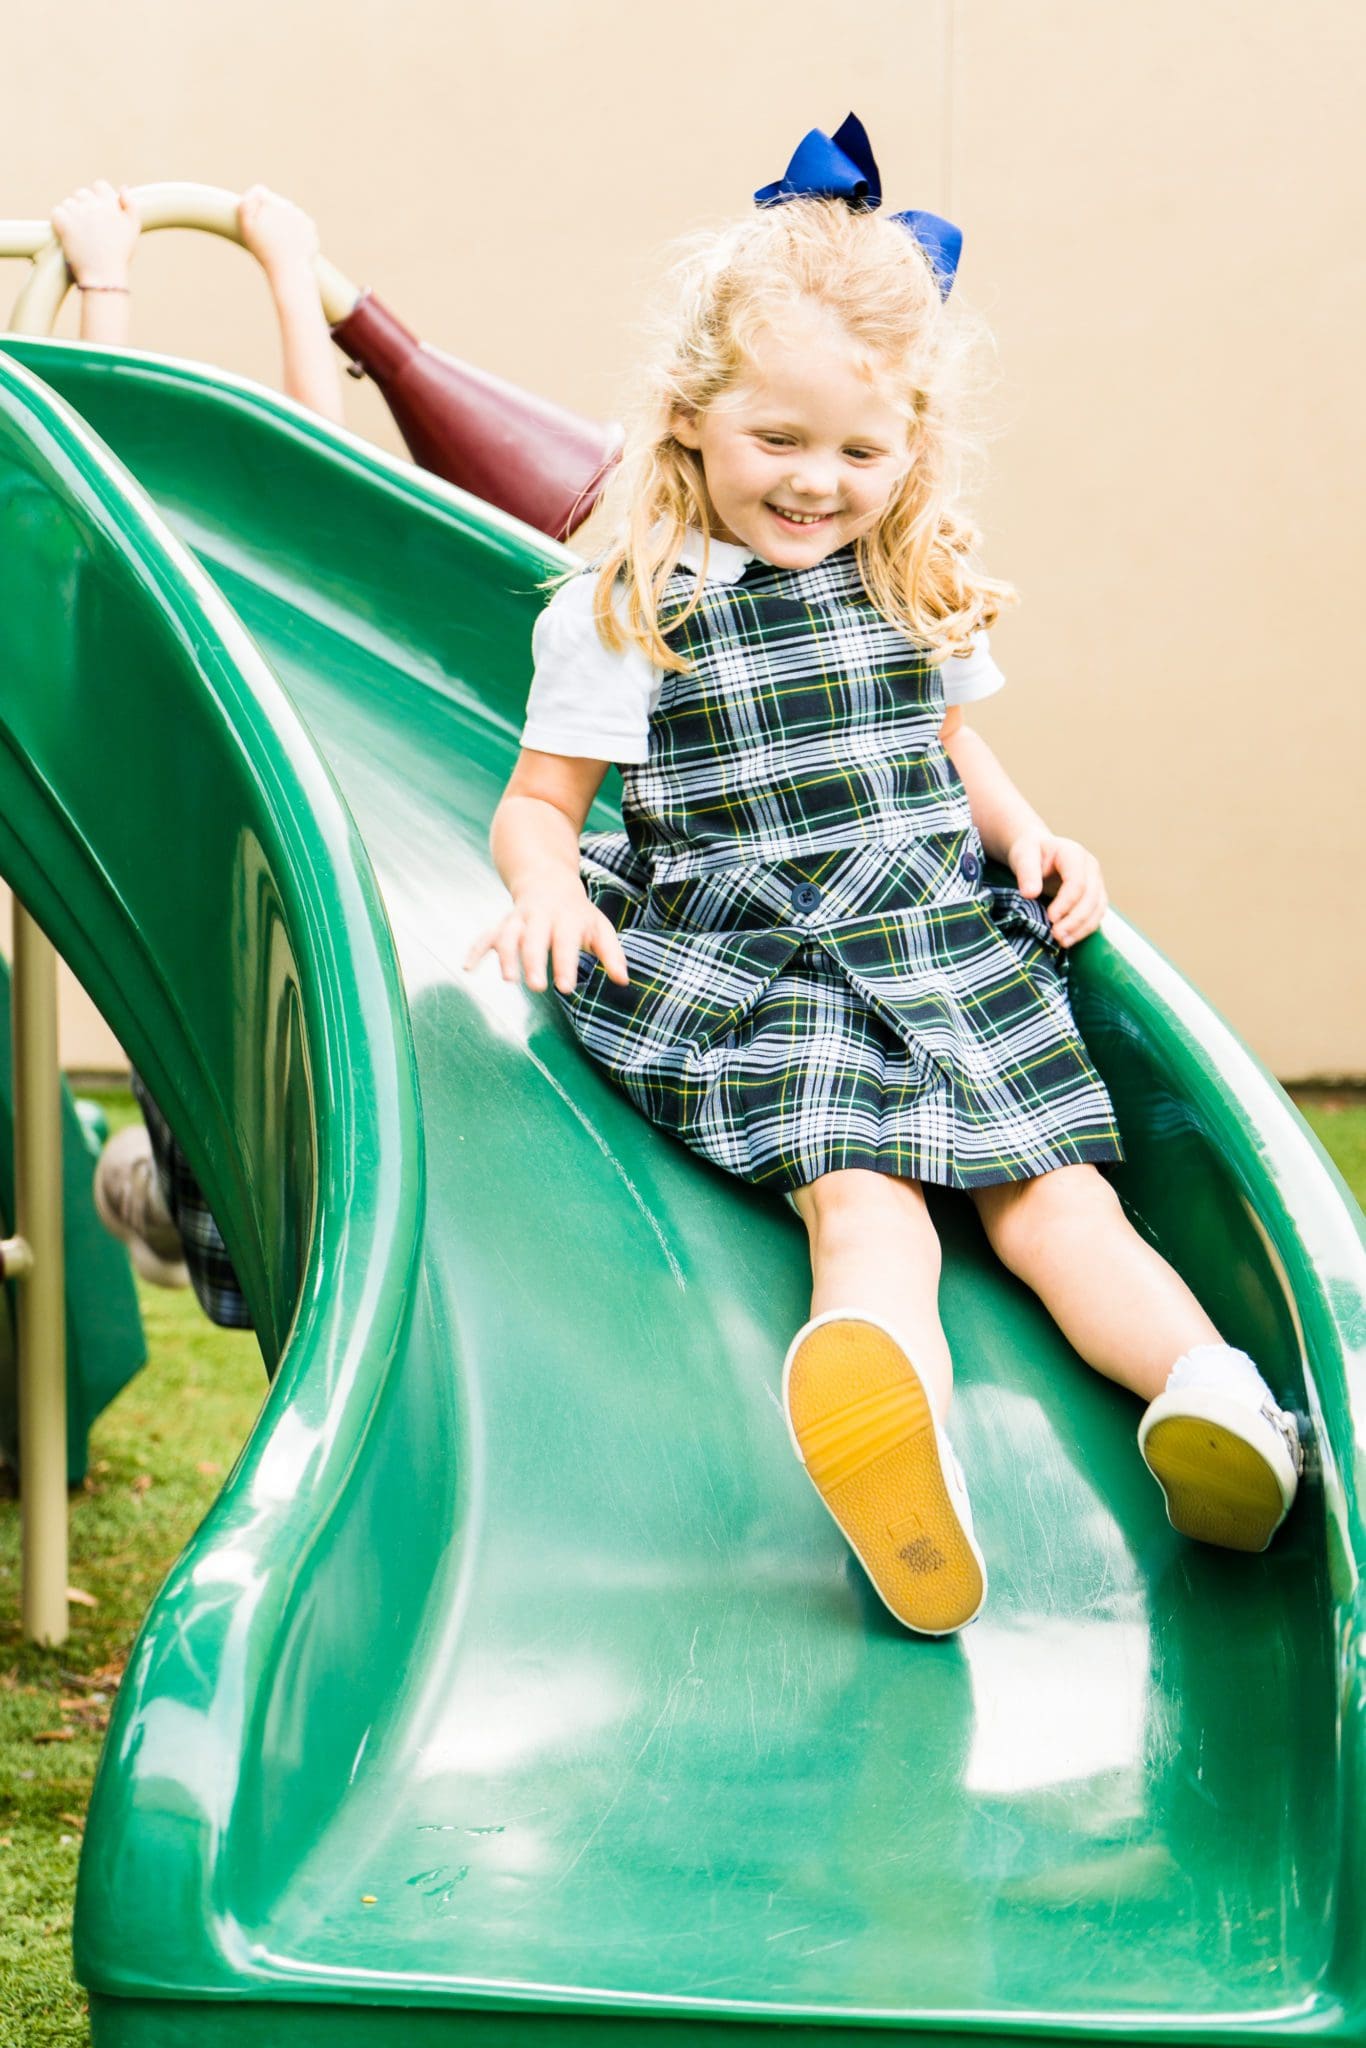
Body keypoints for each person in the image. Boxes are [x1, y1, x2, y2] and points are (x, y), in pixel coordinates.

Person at [463, 115, 1303, 1637]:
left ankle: (1212, 1402)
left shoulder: (910, 573)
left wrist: (1032, 831)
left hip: (932, 937)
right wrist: (548, 886)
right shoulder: (627, 604)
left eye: (860, 450)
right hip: (758, 957)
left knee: (1064, 1203)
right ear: (692, 422)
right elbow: (539, 800)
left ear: (912, 442)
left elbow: (944, 748)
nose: (815, 483)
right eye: (775, 443)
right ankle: (894, 1433)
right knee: (865, 1202)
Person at [51, 178, 347, 1334]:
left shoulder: (302, 633)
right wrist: (106, 280)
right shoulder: (144, 654)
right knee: (228, 1219)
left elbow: (327, 477)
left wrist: (288, 269)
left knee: (258, 1226)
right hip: (205, 983)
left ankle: (142, 1189)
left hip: (302, 964)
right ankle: (145, 1191)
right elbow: (98, 483)